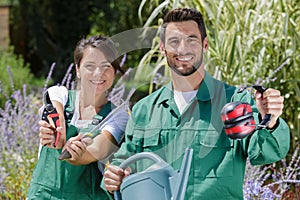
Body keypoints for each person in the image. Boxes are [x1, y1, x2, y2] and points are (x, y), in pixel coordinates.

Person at [103, 8, 290, 199]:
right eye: (174, 41)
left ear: (205, 44)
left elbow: (265, 153)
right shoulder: (145, 109)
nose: (183, 49)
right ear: (162, 48)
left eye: (191, 39)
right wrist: (113, 177)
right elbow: (124, 163)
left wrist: (271, 120)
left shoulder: (235, 101)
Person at [27, 35, 129, 199]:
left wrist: (76, 153)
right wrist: (56, 136)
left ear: (115, 71)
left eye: (106, 66)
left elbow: (96, 150)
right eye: (90, 66)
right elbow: (55, 114)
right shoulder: (59, 95)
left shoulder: (119, 117)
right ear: (78, 69)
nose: (98, 73)